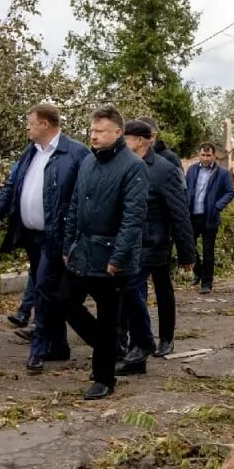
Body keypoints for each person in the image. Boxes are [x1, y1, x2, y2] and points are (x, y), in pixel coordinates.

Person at [0, 103, 90, 372]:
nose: (27, 126)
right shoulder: (30, 153)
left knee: (43, 289)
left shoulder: (75, 153)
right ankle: (58, 346)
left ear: (44, 124)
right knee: (49, 291)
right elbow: (10, 187)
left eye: (30, 121)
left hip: (57, 236)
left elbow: (86, 196)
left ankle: (39, 349)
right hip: (31, 236)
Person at [63, 107, 147, 399]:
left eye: (100, 131)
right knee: (65, 302)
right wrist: (67, 246)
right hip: (82, 250)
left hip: (111, 256)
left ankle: (104, 378)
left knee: (110, 316)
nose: (93, 135)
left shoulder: (133, 166)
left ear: (117, 133)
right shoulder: (88, 162)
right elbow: (74, 205)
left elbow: (133, 218)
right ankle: (108, 347)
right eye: (92, 130)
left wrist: (118, 258)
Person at [116, 119, 197, 374]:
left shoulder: (164, 169)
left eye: (125, 137)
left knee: (161, 291)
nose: (121, 142)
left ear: (140, 140)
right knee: (131, 294)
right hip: (130, 244)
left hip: (155, 242)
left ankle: (163, 338)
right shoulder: (122, 165)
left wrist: (187, 252)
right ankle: (135, 346)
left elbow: (179, 212)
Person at [185, 141, 234, 294]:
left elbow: (229, 192)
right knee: (188, 247)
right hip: (192, 215)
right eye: (202, 155)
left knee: (208, 251)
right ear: (198, 155)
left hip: (210, 217)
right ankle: (199, 272)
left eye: (208, 155)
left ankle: (207, 283)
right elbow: (187, 188)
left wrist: (218, 206)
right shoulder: (192, 170)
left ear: (214, 156)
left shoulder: (222, 173)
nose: (205, 158)